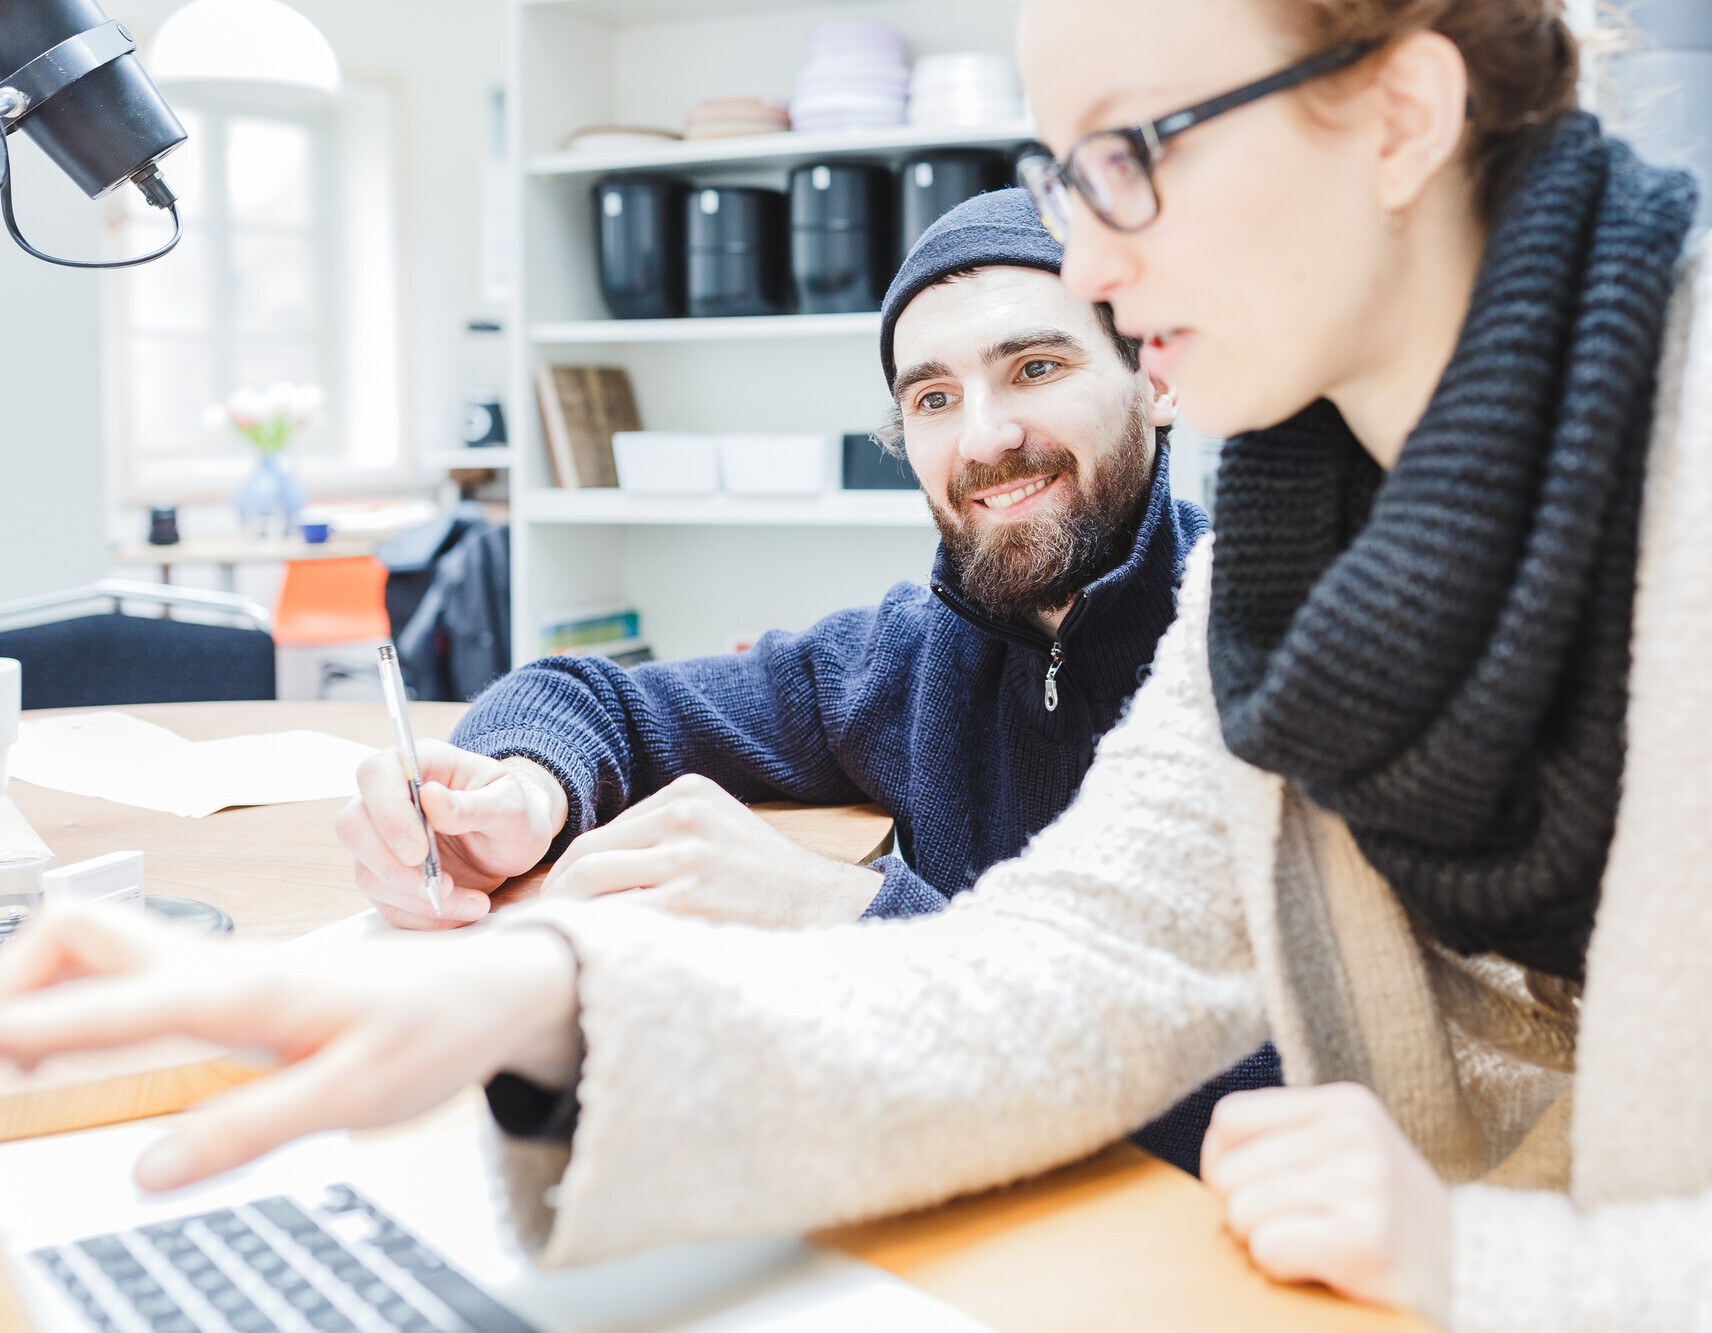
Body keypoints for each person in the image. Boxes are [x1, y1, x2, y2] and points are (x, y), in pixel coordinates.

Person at [3, 1, 1712, 1328]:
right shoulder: (1304, 545)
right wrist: (549, 998)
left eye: (1132, 155)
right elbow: (1073, 963)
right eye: (1065, 177)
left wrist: (1499, 1269)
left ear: (1397, 109)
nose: (1094, 260)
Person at [331, 187, 1280, 1175]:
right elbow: (592, 698)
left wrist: (846, 914)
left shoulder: (1279, 653)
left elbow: (1259, 1104)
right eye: (933, 398)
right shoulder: (907, 657)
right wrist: (523, 791)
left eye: (1034, 368)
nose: (983, 437)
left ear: (1156, 378)